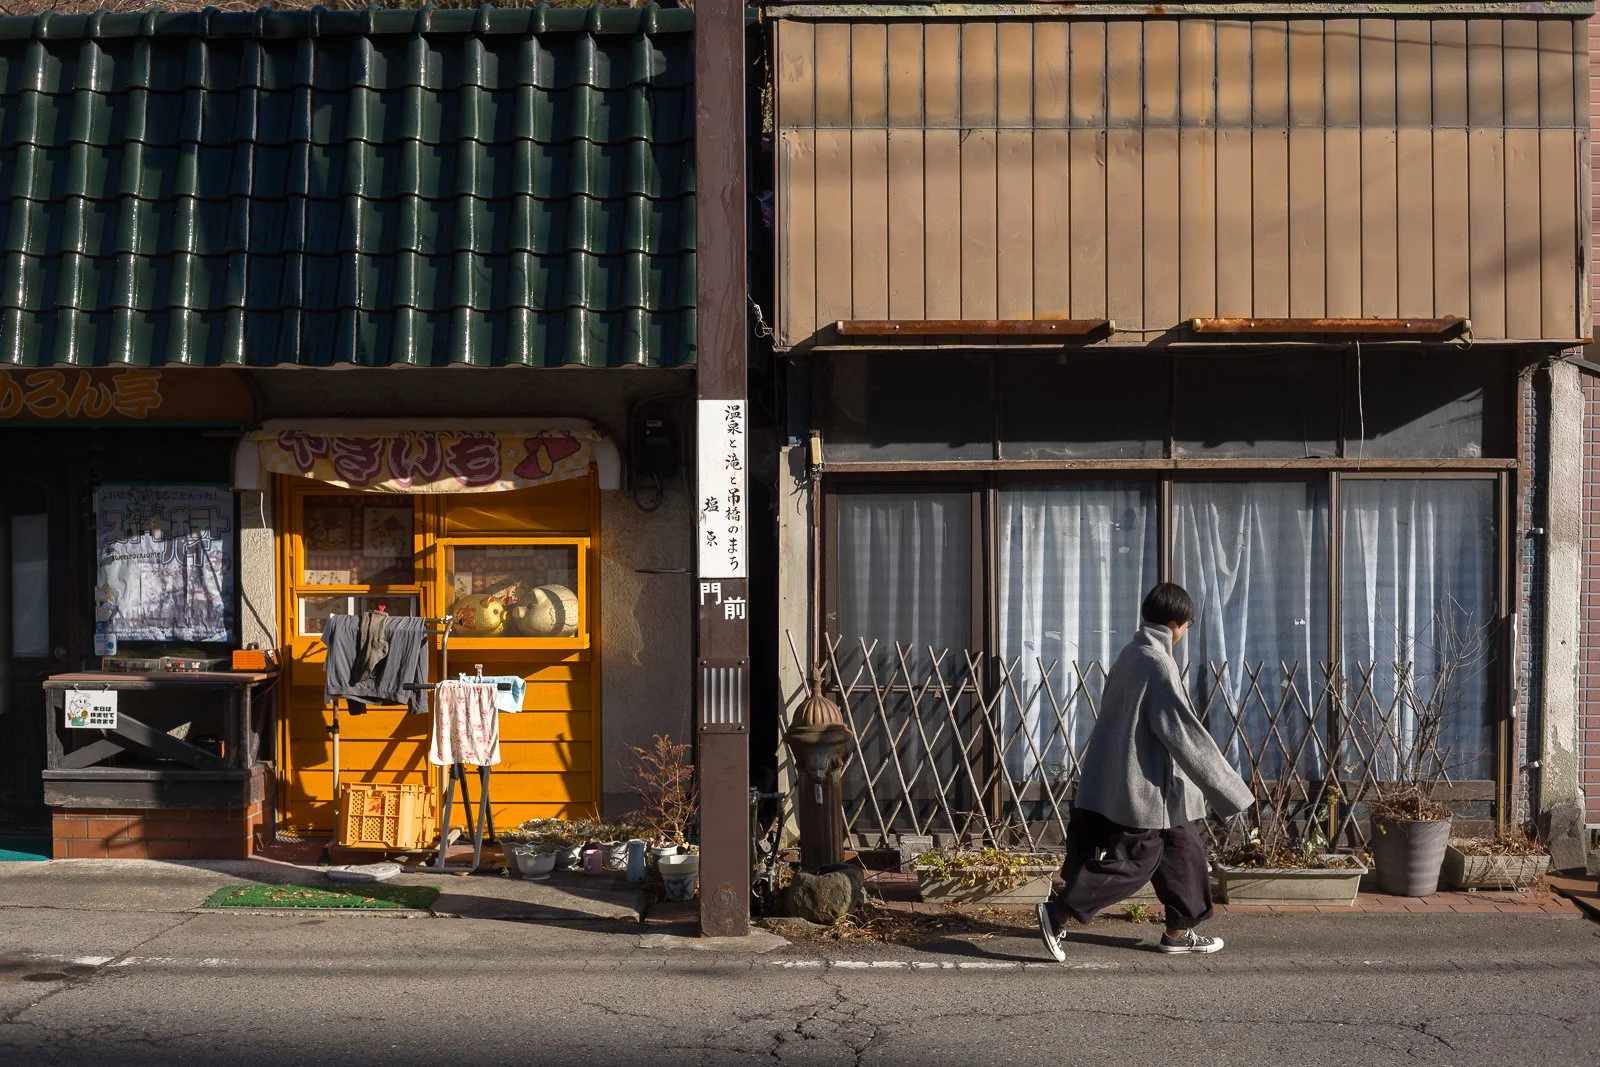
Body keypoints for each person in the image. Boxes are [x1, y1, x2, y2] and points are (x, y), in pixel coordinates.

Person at [1037, 582, 1254, 960]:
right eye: (1187, 624)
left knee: (1185, 851)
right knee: (1138, 859)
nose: (1186, 631)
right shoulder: (1157, 663)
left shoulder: (1132, 652)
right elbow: (1183, 733)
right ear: (1175, 623)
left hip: (1149, 785)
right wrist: (1229, 789)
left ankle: (1178, 933)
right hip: (1145, 789)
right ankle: (1059, 912)